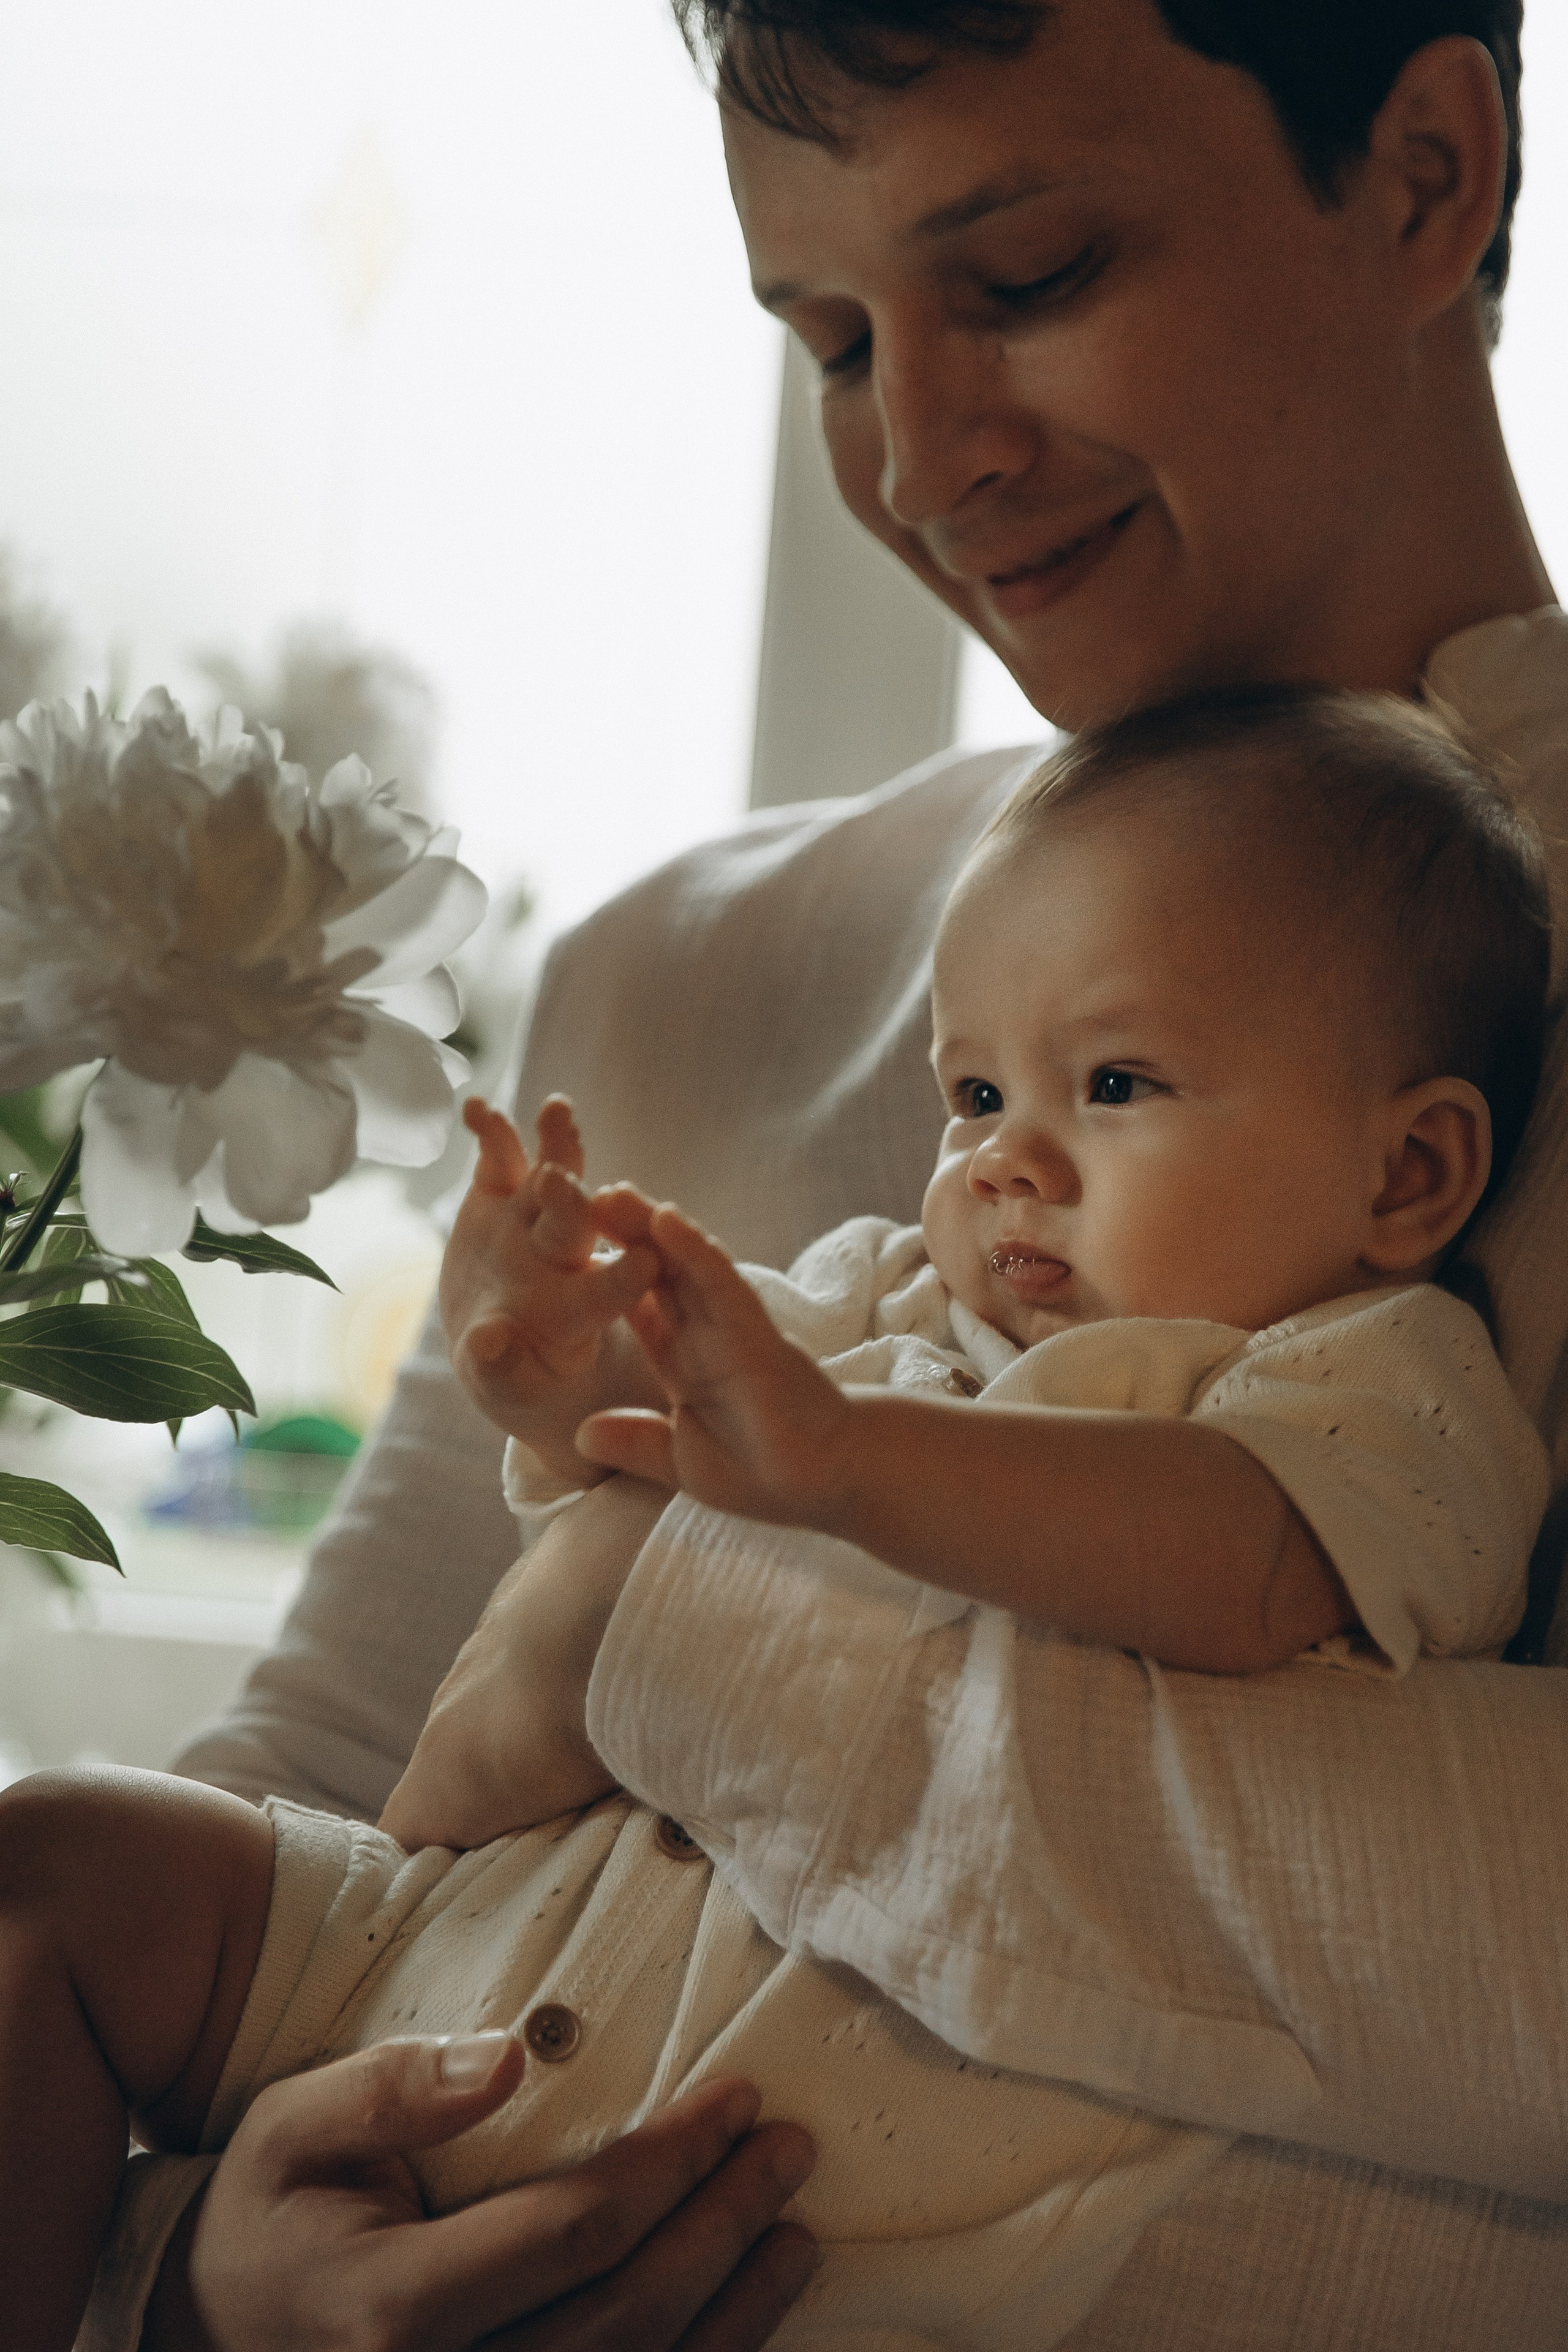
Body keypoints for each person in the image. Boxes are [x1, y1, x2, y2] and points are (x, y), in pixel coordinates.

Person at [83, 2, 1568, 2346]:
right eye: (834, 337)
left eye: (1032, 270)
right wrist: (198, 2284)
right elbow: (339, 1820)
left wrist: (648, 1621)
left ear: (1425, 174)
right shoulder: (682, 974)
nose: (922, 455)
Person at [14, 687, 1550, 2352]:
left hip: (794, 2155)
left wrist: (843, 1459)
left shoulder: (1371, 1378)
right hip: (428, 1956)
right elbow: (669, 1448)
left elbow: (1242, 1566)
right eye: (972, 1097)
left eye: (1113, 1082)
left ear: (1409, 1177)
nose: (1002, 1166)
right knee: (54, 1870)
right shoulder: (887, 1289)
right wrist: (557, 1362)